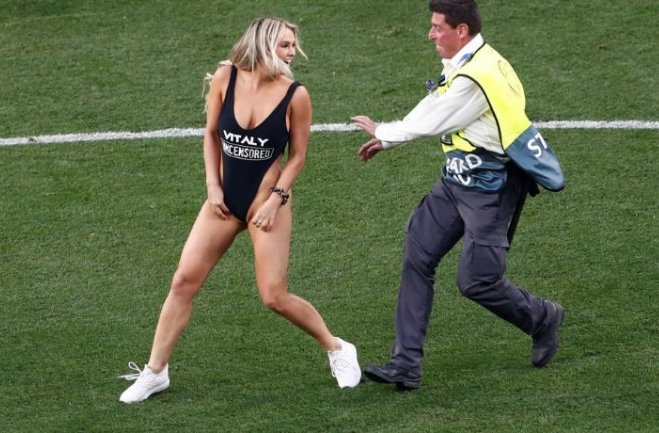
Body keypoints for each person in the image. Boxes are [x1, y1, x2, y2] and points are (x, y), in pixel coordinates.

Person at [119, 17, 361, 404]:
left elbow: (298, 156)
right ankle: (155, 372)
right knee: (183, 282)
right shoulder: (225, 78)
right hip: (223, 200)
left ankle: (337, 348)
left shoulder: (295, 95)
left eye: (293, 45)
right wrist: (212, 186)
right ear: (263, 44)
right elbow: (211, 133)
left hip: (267, 202)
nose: (292, 52)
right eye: (285, 45)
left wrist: (276, 199)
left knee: (273, 296)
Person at [351, 0, 566, 391]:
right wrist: (389, 138)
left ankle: (543, 318)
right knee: (418, 254)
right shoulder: (468, 62)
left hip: (490, 189)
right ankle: (405, 364)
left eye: (437, 27)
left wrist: (384, 131)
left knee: (477, 281)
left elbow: (438, 118)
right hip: (456, 181)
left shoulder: (477, 77)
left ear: (461, 30)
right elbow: (437, 101)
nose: (430, 34)